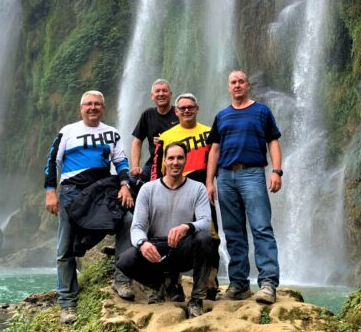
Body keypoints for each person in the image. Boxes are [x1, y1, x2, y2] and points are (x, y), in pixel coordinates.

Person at [44, 90, 135, 324]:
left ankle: (121, 279)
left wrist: (124, 185)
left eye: (97, 104)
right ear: (81, 107)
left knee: (127, 221)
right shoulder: (68, 131)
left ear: (103, 108)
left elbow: (121, 161)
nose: (93, 108)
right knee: (65, 247)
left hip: (102, 191)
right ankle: (67, 303)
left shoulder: (111, 133)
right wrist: (50, 192)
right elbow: (52, 161)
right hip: (72, 192)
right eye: (88, 104)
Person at [205, 70, 283, 305]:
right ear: (228, 87)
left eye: (241, 82)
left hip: (252, 173)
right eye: (233, 82)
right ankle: (239, 284)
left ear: (247, 85)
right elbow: (214, 150)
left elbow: (273, 142)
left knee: (261, 227)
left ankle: (268, 284)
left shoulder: (261, 111)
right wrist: (210, 181)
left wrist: (277, 172)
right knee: (233, 231)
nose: (237, 85)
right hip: (226, 177)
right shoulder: (222, 116)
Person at [117, 142, 218, 318]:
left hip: (183, 247)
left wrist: (187, 226)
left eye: (180, 157)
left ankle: (196, 299)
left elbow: (205, 221)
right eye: (171, 158)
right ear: (164, 161)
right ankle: (161, 284)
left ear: (186, 160)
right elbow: (137, 227)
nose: (175, 162)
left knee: (205, 238)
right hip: (157, 248)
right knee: (125, 260)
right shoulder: (148, 189)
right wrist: (142, 243)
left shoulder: (198, 188)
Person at [151, 93, 220, 302]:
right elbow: (157, 168)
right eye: (182, 108)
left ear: (197, 109)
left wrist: (211, 184)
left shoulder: (210, 132)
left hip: (203, 192)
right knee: (171, 236)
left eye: (191, 107)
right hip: (175, 192)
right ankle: (173, 284)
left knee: (211, 236)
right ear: (176, 111)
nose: (187, 111)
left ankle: (210, 283)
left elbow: (216, 160)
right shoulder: (166, 136)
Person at [130, 79, 179, 181]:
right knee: (133, 181)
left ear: (170, 95)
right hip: (154, 163)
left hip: (177, 161)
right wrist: (135, 166)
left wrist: (166, 139)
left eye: (164, 91)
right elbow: (137, 142)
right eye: (157, 91)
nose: (161, 94)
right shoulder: (148, 114)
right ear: (152, 96)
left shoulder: (179, 113)